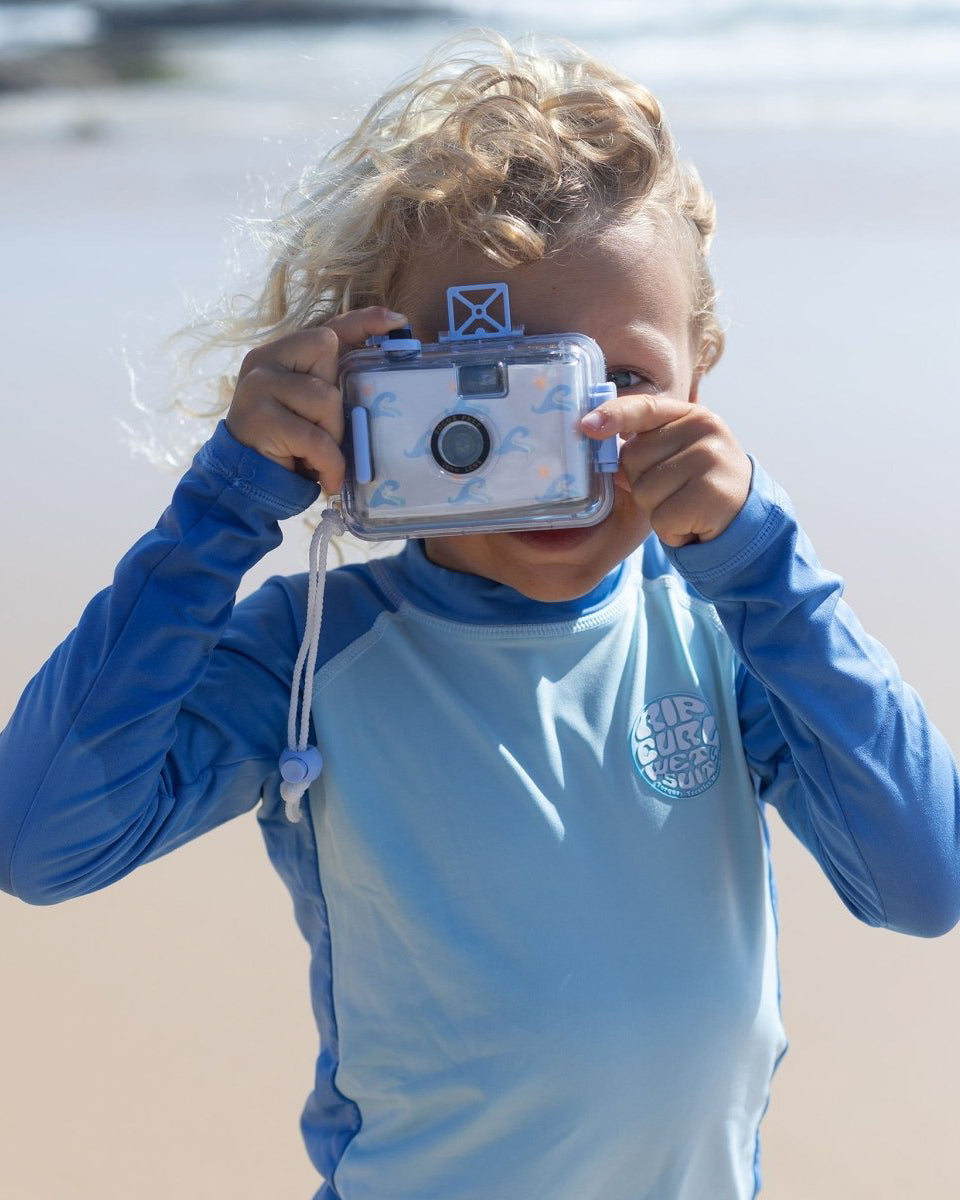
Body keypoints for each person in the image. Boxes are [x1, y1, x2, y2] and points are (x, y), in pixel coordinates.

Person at [1, 29, 958, 1200]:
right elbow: (40, 842)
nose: (558, 447)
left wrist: (764, 557)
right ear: (367, 394)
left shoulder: (728, 628)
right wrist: (226, 504)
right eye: (486, 389)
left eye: (620, 385)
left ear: (702, 375)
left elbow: (922, 880)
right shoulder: (311, 656)